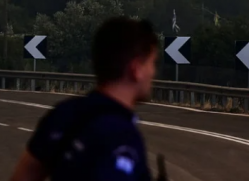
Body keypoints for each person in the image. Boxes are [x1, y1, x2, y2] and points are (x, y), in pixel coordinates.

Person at [9, 17, 160, 181]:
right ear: (136, 69)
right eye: (152, 63)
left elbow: (24, 175)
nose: (153, 72)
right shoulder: (122, 136)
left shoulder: (64, 113)